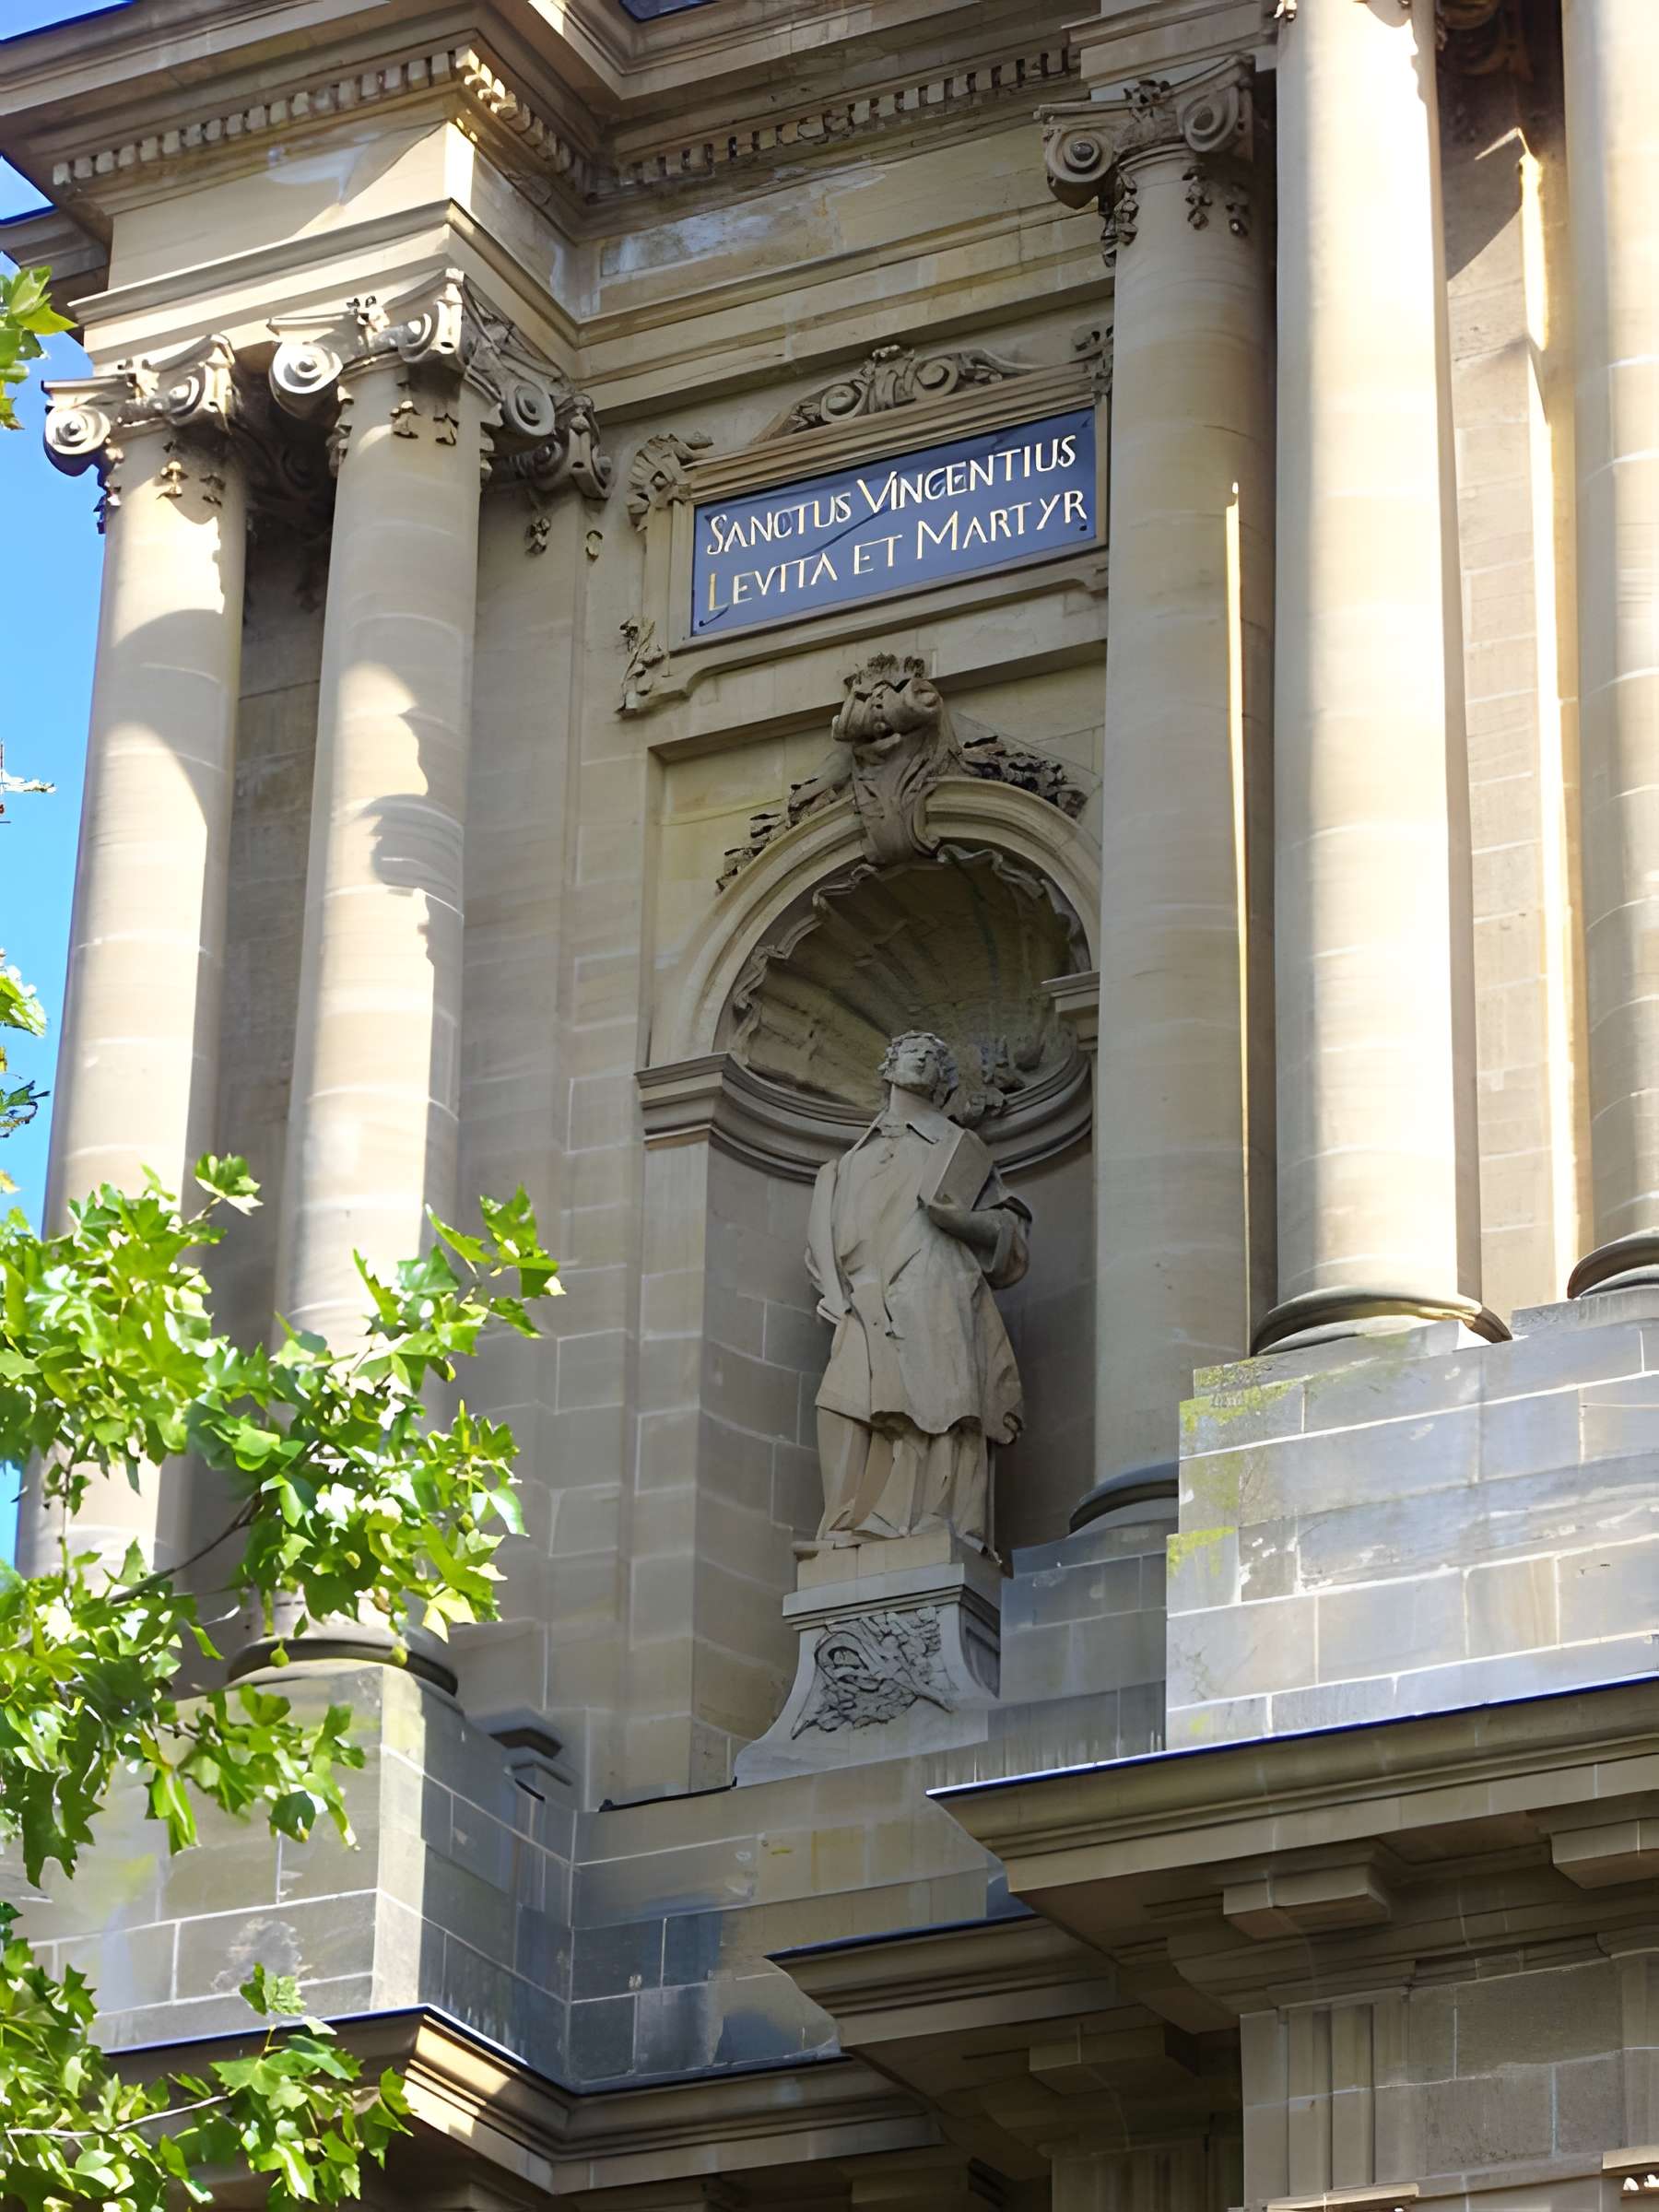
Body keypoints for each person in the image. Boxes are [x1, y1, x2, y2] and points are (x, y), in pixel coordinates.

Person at [805, 1030, 1031, 1555]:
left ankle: (931, 1519)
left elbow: (1011, 1239)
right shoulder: (849, 1161)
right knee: (842, 1404)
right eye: (913, 1050)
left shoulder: (957, 1148)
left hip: (935, 1288)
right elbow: (827, 1242)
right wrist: (837, 1295)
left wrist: (960, 1220)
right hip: (862, 1302)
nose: (924, 1058)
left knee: (937, 1408)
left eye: (935, 1056)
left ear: (943, 1079)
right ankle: (848, 1520)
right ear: (888, 1065)